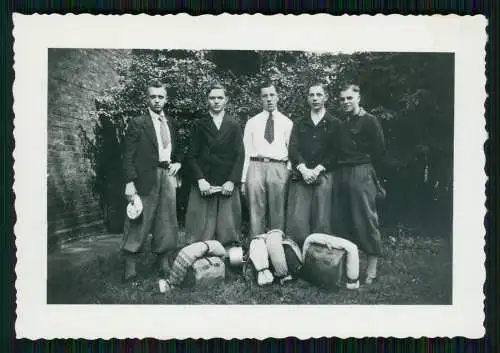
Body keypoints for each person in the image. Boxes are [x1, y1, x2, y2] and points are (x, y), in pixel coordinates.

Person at [121, 80, 183, 281]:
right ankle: (130, 266)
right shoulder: (138, 123)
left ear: (166, 99)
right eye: (153, 96)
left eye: (161, 97)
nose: (157, 100)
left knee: (166, 219)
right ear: (147, 98)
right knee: (139, 219)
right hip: (145, 177)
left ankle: (163, 261)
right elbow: (127, 155)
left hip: (167, 175)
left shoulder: (171, 123)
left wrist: (178, 163)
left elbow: (179, 149)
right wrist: (130, 182)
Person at [331, 83, 387, 285]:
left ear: (358, 98)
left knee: (365, 219)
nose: (345, 102)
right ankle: (349, 268)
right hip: (341, 173)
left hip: (362, 172)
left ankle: (371, 270)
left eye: (349, 98)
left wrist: (373, 179)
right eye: (342, 99)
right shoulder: (342, 123)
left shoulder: (370, 121)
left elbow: (380, 152)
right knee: (343, 221)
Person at [184, 83, 245, 247]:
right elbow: (191, 156)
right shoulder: (199, 124)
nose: (216, 101)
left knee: (228, 229)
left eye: (220, 98)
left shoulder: (234, 125)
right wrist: (200, 179)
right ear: (207, 100)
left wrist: (232, 181)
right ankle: (199, 263)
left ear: (226, 100)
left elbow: (240, 156)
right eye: (212, 98)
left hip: (227, 183)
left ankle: (227, 263)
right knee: (200, 229)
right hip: (205, 183)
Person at [286, 83, 340, 247]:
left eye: (318, 94)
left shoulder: (334, 123)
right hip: (301, 176)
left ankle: (318, 260)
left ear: (326, 97)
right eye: (312, 95)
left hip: (323, 175)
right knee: (297, 221)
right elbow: (293, 148)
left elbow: (336, 151)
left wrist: (317, 169)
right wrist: (302, 168)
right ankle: (296, 260)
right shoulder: (300, 122)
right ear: (308, 98)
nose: (315, 98)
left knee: (322, 220)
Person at [241, 82, 293, 237]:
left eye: (272, 95)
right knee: (256, 211)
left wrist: (287, 173)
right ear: (260, 99)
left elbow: (292, 150)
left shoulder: (287, 122)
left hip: (278, 168)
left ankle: (277, 248)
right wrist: (243, 179)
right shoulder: (252, 122)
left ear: (278, 97)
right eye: (265, 96)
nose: (269, 99)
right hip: (255, 166)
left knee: (278, 211)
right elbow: (246, 150)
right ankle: (257, 249)